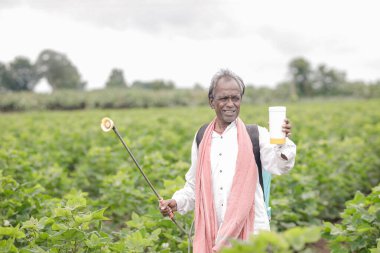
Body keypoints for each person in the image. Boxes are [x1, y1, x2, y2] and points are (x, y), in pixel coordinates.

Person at [159, 69, 296, 252]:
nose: (230, 104)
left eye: (236, 98)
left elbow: (281, 166)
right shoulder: (202, 137)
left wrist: (281, 142)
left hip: (251, 237)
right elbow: (194, 187)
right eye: (224, 98)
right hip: (213, 234)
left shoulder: (256, 135)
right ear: (211, 102)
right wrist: (176, 202)